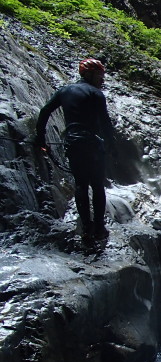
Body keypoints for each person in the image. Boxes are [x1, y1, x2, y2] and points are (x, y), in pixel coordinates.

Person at [36, 58, 116, 241]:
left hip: (73, 143)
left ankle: (86, 229)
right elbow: (105, 124)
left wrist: (40, 138)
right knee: (97, 185)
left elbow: (45, 111)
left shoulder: (64, 91)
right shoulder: (96, 94)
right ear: (88, 74)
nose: (102, 80)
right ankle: (99, 227)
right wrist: (112, 147)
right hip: (93, 144)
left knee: (81, 184)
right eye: (99, 75)